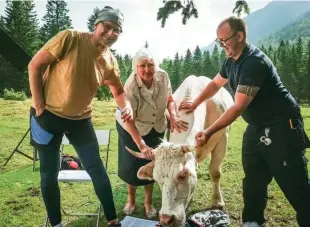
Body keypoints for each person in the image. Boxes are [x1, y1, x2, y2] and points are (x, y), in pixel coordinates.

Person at [179, 16, 310, 227]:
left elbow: (238, 106)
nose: (222, 46)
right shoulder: (231, 60)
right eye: (218, 41)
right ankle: (252, 222)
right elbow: (215, 84)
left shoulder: (253, 62)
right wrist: (195, 103)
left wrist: (209, 131)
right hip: (256, 126)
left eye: (225, 40)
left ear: (239, 36)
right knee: (253, 181)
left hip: (282, 124)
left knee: (295, 184)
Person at [28, 6, 150, 227]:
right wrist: (38, 106)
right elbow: (35, 65)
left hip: (80, 122)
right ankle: (55, 223)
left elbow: (119, 91)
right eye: (107, 26)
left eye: (117, 30)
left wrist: (126, 107)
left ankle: (113, 221)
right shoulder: (70, 38)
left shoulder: (110, 61)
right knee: (48, 173)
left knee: (96, 169)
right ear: (97, 25)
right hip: (47, 118)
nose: (111, 33)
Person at [115, 48, 189, 219]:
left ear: (156, 65)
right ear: (136, 68)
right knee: (131, 164)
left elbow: (170, 99)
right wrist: (141, 144)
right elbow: (128, 120)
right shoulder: (131, 86)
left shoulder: (163, 76)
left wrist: (174, 116)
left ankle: (148, 203)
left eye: (151, 65)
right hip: (133, 127)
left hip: (156, 125)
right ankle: (131, 199)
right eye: (142, 66)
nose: (147, 69)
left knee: (154, 163)